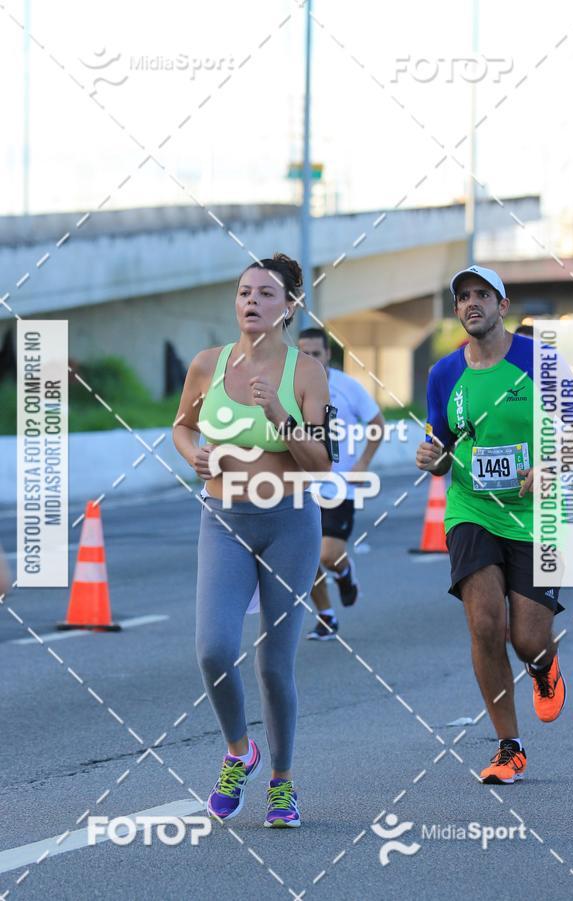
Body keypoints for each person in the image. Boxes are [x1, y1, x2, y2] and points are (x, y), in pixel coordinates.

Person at [416, 264, 573, 785]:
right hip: (472, 509)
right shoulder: (444, 374)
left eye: (482, 295)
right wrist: (433, 457)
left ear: (503, 304)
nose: (471, 303)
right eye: (463, 297)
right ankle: (508, 747)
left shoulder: (539, 360)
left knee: (527, 637)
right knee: (484, 624)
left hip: (541, 513)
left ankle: (544, 667)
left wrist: (550, 466)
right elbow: (445, 447)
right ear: (457, 311)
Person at [173, 253, 331, 827]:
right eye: (244, 292)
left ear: (289, 306)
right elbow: (183, 424)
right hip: (223, 518)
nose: (252, 302)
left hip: (289, 520)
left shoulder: (307, 372)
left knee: (273, 662)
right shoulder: (208, 366)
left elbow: (321, 462)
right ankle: (241, 751)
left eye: (266, 294)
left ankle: (282, 784)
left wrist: (281, 415)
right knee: (213, 648)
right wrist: (195, 454)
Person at [298, 328, 384, 640]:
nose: (309, 359)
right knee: (303, 558)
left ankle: (344, 574)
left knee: (327, 555)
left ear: (328, 355)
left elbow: (376, 424)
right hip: (301, 487)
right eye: (303, 353)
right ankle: (326, 616)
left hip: (339, 486)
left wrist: (362, 463)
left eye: (315, 353)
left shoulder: (348, 387)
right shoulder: (291, 388)